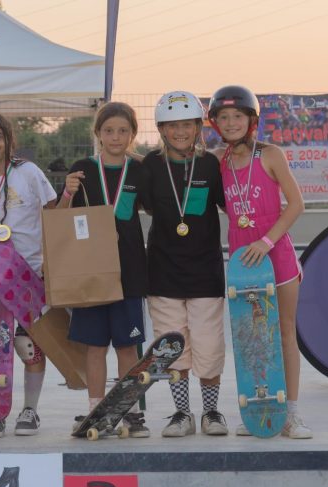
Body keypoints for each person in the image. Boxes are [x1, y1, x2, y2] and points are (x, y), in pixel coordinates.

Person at [208, 85, 312, 438]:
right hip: (244, 263)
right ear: (215, 123)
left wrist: (266, 241)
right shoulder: (218, 161)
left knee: (283, 334)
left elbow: (297, 204)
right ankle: (260, 409)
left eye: (238, 116)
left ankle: (291, 415)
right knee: (252, 338)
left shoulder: (271, 154)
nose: (231, 122)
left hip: (276, 258)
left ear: (251, 120)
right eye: (224, 117)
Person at [57, 102, 150, 437]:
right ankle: (96, 409)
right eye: (108, 130)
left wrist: (144, 161)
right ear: (97, 134)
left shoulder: (139, 170)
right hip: (91, 273)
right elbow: (60, 215)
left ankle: (130, 412)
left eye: (123, 131)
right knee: (95, 347)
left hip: (129, 273)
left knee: (128, 347)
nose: (115, 136)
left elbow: (155, 205)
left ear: (132, 135)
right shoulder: (82, 169)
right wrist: (67, 193)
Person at [141, 91, 229, 437]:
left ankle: (211, 412)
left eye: (187, 125)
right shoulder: (150, 165)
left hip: (205, 271)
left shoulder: (210, 165)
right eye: (172, 126)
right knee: (172, 346)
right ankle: (182, 414)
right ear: (162, 130)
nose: (180, 132)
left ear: (198, 127)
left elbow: (231, 205)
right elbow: (136, 204)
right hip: (162, 272)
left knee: (208, 345)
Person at [0, 113, 56, 437]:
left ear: (9, 139)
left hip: (28, 268)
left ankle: (30, 410)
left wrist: (50, 259)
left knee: (28, 344)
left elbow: (52, 210)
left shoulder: (28, 172)